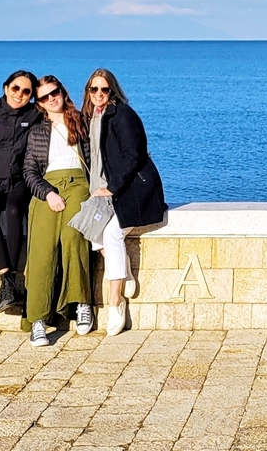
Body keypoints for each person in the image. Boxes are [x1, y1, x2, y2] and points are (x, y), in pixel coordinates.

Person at [80, 68, 168, 336]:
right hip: (105, 189)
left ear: (112, 91)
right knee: (90, 229)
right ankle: (125, 270)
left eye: (103, 89)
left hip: (132, 190)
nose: (98, 94)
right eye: (93, 89)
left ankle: (115, 303)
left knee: (110, 233)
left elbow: (134, 156)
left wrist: (111, 188)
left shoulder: (123, 115)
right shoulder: (92, 118)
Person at [20, 76, 95, 346]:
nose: (51, 99)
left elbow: (95, 160)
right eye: (44, 97)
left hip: (78, 183)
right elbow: (28, 171)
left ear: (62, 92)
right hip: (48, 186)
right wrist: (47, 192)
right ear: (39, 103)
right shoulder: (37, 131)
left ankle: (81, 304)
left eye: (55, 93)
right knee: (42, 249)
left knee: (73, 237)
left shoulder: (82, 122)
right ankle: (37, 320)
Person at [0, 70, 42, 316]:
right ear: (6, 88)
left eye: (26, 91)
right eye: (16, 88)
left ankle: (9, 285)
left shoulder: (36, 114)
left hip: (20, 181)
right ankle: (9, 281)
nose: (20, 94)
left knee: (15, 209)